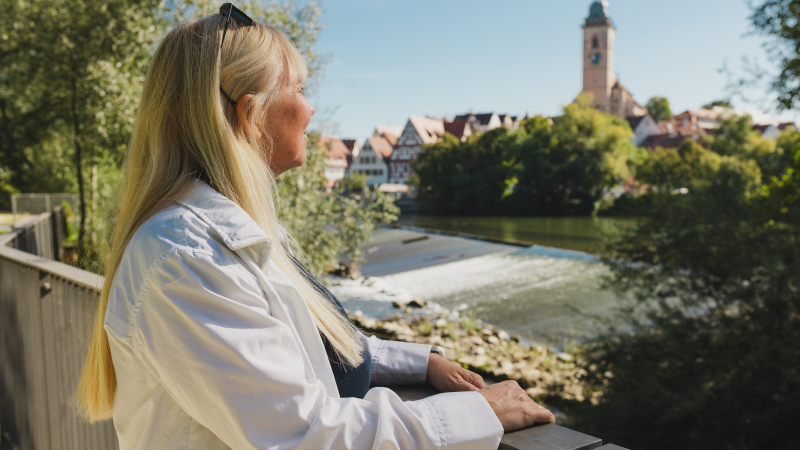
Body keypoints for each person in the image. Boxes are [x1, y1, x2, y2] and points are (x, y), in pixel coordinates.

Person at [72, 4, 555, 449]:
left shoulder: (218, 237)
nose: (311, 109)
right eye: (300, 90)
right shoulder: (186, 258)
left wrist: (419, 362)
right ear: (250, 113)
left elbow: (298, 340)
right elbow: (303, 434)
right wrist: (473, 413)